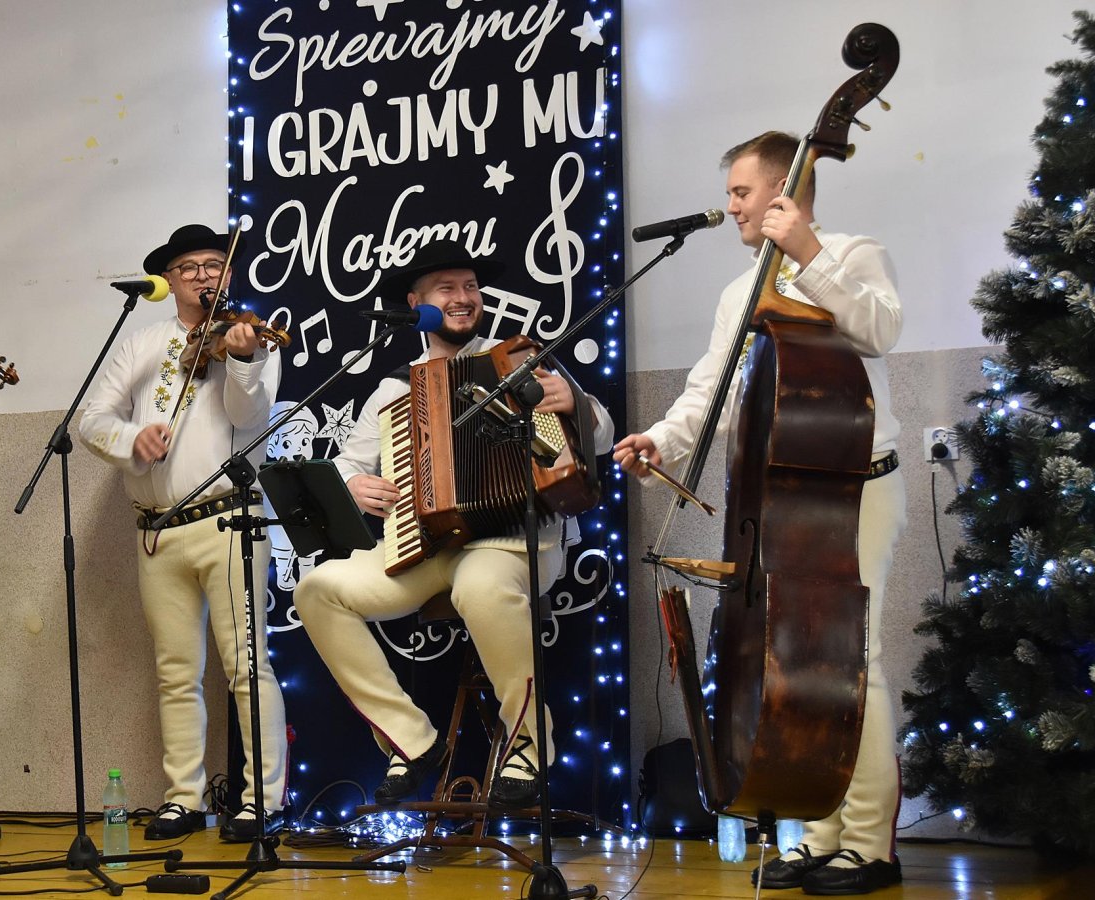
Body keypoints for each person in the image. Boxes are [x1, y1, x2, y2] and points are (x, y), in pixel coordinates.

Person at [613, 131, 905, 895]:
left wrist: (808, 252)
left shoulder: (852, 252)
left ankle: (871, 846)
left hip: (858, 487)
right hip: (781, 496)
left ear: (784, 189)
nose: (733, 207)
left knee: (855, 662)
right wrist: (660, 442)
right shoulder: (739, 293)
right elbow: (709, 388)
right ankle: (817, 832)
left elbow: (879, 330)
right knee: (797, 667)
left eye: (742, 192)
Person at [293, 240, 615, 810]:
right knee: (317, 589)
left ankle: (527, 745)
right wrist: (354, 484)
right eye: (447, 289)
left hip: (515, 541)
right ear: (416, 303)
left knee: (480, 583)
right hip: (426, 547)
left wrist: (574, 401)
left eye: (470, 287)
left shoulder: (519, 360)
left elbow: (603, 434)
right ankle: (412, 742)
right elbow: (347, 463)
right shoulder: (396, 387)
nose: (464, 298)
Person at [77, 223, 288, 843]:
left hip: (229, 521)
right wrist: (131, 438)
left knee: (247, 667)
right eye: (189, 267)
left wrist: (243, 359)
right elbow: (92, 419)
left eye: (213, 265)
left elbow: (251, 415)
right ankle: (183, 799)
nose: (202, 275)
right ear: (169, 281)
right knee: (175, 672)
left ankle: (264, 800)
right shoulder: (141, 343)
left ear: (228, 274)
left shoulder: (251, 336)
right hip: (158, 531)